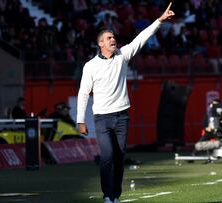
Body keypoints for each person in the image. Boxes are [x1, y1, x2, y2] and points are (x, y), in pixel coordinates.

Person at [76, 3, 174, 203]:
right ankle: (107, 195)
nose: (113, 39)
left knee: (120, 158)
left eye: (113, 37)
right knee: (107, 157)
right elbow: (83, 93)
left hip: (122, 116)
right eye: (109, 38)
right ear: (101, 44)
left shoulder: (123, 56)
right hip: (102, 118)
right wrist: (80, 120)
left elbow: (141, 38)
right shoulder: (90, 66)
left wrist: (159, 21)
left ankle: (115, 195)